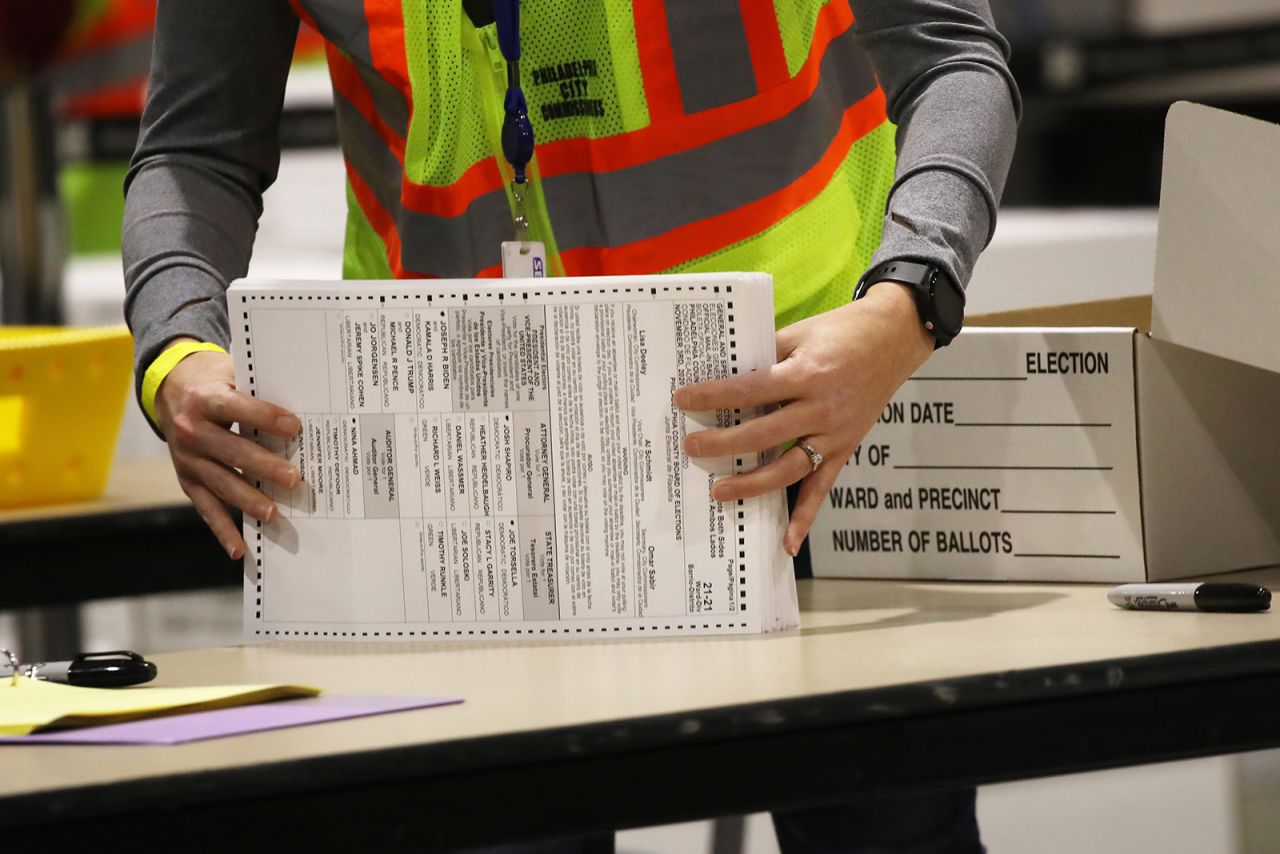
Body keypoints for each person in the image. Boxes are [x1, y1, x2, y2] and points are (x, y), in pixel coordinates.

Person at [123, 2, 1019, 851]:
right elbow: (194, 151)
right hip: (458, 479)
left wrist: (909, 300)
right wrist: (176, 353)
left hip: (806, 433)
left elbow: (953, 58)